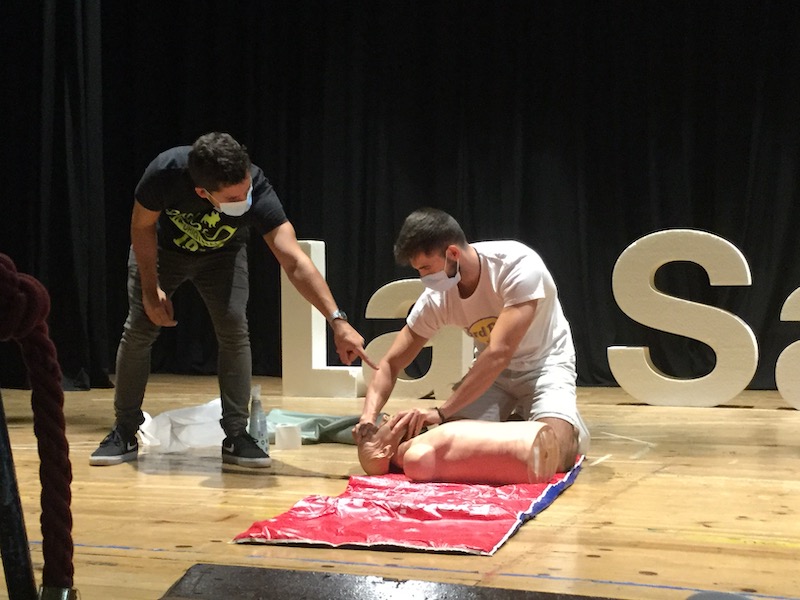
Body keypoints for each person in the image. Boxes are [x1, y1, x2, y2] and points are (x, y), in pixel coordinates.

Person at [91, 132, 376, 468]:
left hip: (222, 257)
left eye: (246, 190)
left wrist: (337, 320)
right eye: (234, 196)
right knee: (140, 328)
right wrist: (151, 289)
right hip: (164, 253)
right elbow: (142, 227)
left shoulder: (256, 185)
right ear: (202, 192)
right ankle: (124, 429)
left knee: (233, 329)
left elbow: (294, 260)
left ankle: (237, 435)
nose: (246, 198)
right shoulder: (164, 174)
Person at [353, 207, 589, 473]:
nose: (424, 278)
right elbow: (391, 364)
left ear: (453, 253)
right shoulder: (436, 299)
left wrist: (441, 412)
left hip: (545, 365)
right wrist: (368, 418)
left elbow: (499, 352)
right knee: (450, 447)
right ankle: (518, 425)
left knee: (551, 457)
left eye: (427, 268)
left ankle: (566, 426)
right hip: (492, 377)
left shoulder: (517, 265)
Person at [357, 412, 562, 484]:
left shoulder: (416, 445)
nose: (384, 419)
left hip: (522, 444)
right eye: (378, 430)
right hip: (518, 455)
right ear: (384, 452)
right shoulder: (412, 457)